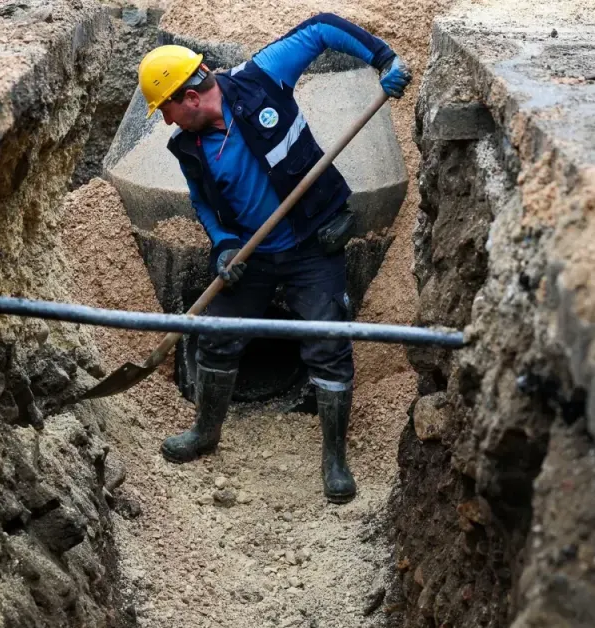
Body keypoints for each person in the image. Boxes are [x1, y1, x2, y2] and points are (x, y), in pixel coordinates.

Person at [136, 14, 412, 504]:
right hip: (250, 252)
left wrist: (383, 58)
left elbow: (322, 27)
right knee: (216, 338)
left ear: (191, 97)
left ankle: (334, 459)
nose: (166, 121)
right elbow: (202, 200)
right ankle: (206, 431)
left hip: (313, 243)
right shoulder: (188, 145)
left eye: (166, 108)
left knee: (328, 344)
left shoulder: (261, 78)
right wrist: (222, 244)